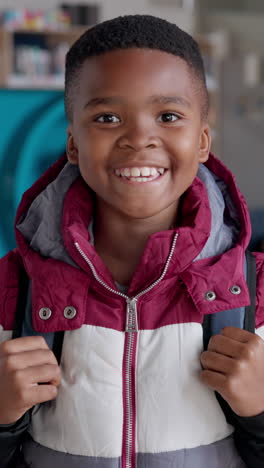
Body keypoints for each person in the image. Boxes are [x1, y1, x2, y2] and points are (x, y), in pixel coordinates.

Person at [0, 14, 264, 468]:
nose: (140, 138)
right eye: (107, 117)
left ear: (202, 140)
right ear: (74, 144)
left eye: (168, 115)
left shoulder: (254, 292)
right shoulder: (13, 289)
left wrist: (261, 412)